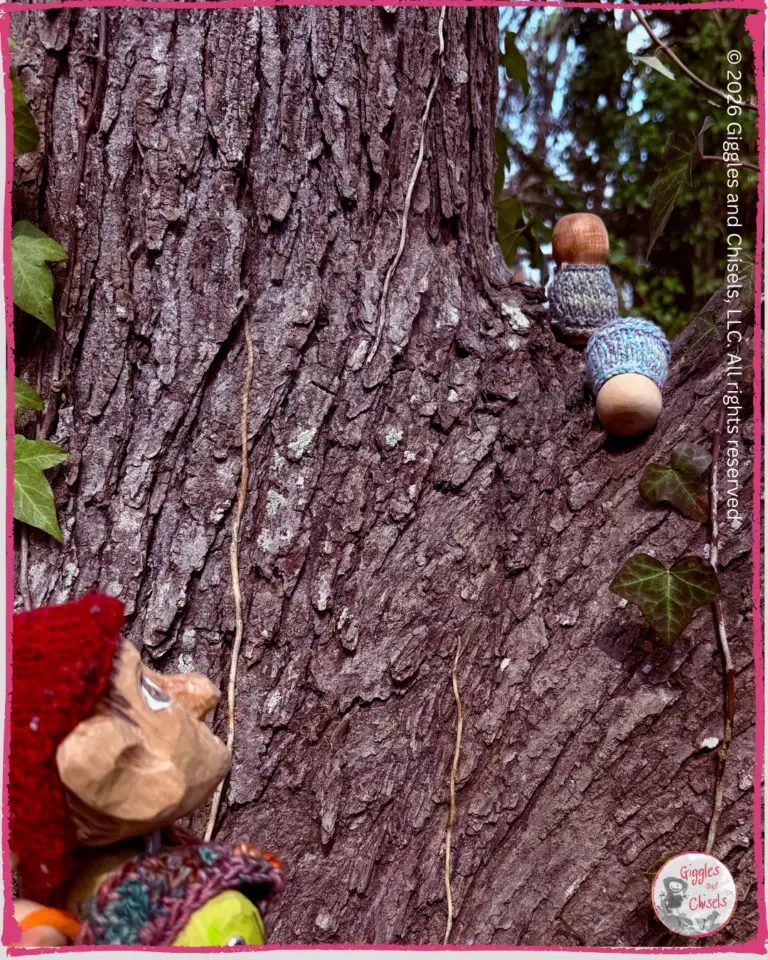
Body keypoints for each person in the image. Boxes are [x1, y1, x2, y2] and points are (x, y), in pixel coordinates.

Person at [8, 593, 283, 946]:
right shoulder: (178, 916)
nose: (202, 691)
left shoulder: (160, 857)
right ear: (107, 765)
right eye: (151, 693)